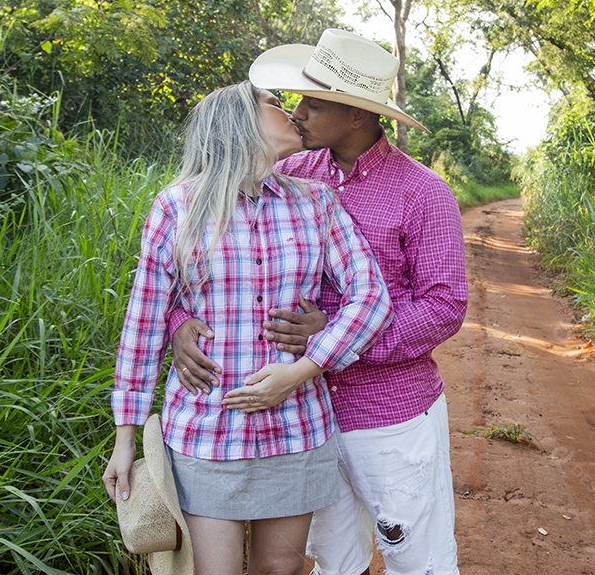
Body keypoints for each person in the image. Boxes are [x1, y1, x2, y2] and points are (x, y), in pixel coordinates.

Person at [173, 29, 469, 575]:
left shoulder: (423, 192)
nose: (298, 111)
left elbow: (444, 305)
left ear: (358, 115)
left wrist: (330, 338)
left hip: (390, 412)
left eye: (314, 102)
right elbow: (211, 263)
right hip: (302, 418)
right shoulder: (289, 174)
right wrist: (180, 320)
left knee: (417, 558)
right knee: (332, 561)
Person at [103, 81, 394, 575]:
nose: (293, 113)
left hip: (296, 428)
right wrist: (124, 439)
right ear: (240, 123)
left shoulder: (316, 202)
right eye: (275, 105)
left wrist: (305, 368)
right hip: (207, 429)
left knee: (280, 568)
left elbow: (371, 297)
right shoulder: (178, 207)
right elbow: (144, 321)